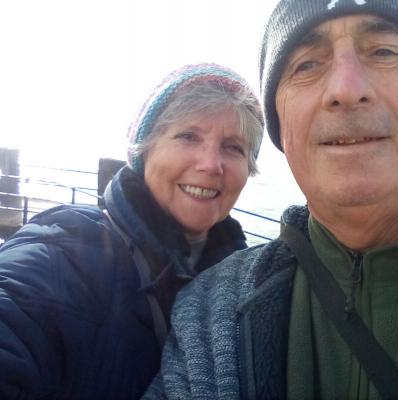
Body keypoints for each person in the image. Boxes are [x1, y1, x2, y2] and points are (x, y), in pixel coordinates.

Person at [144, 1, 398, 399]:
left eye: (383, 51)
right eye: (306, 65)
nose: (346, 89)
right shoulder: (208, 315)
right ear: (281, 127)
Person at [0, 63, 264, 399]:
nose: (211, 164)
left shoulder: (247, 288)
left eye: (233, 147)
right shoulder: (63, 253)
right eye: (188, 136)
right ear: (144, 149)